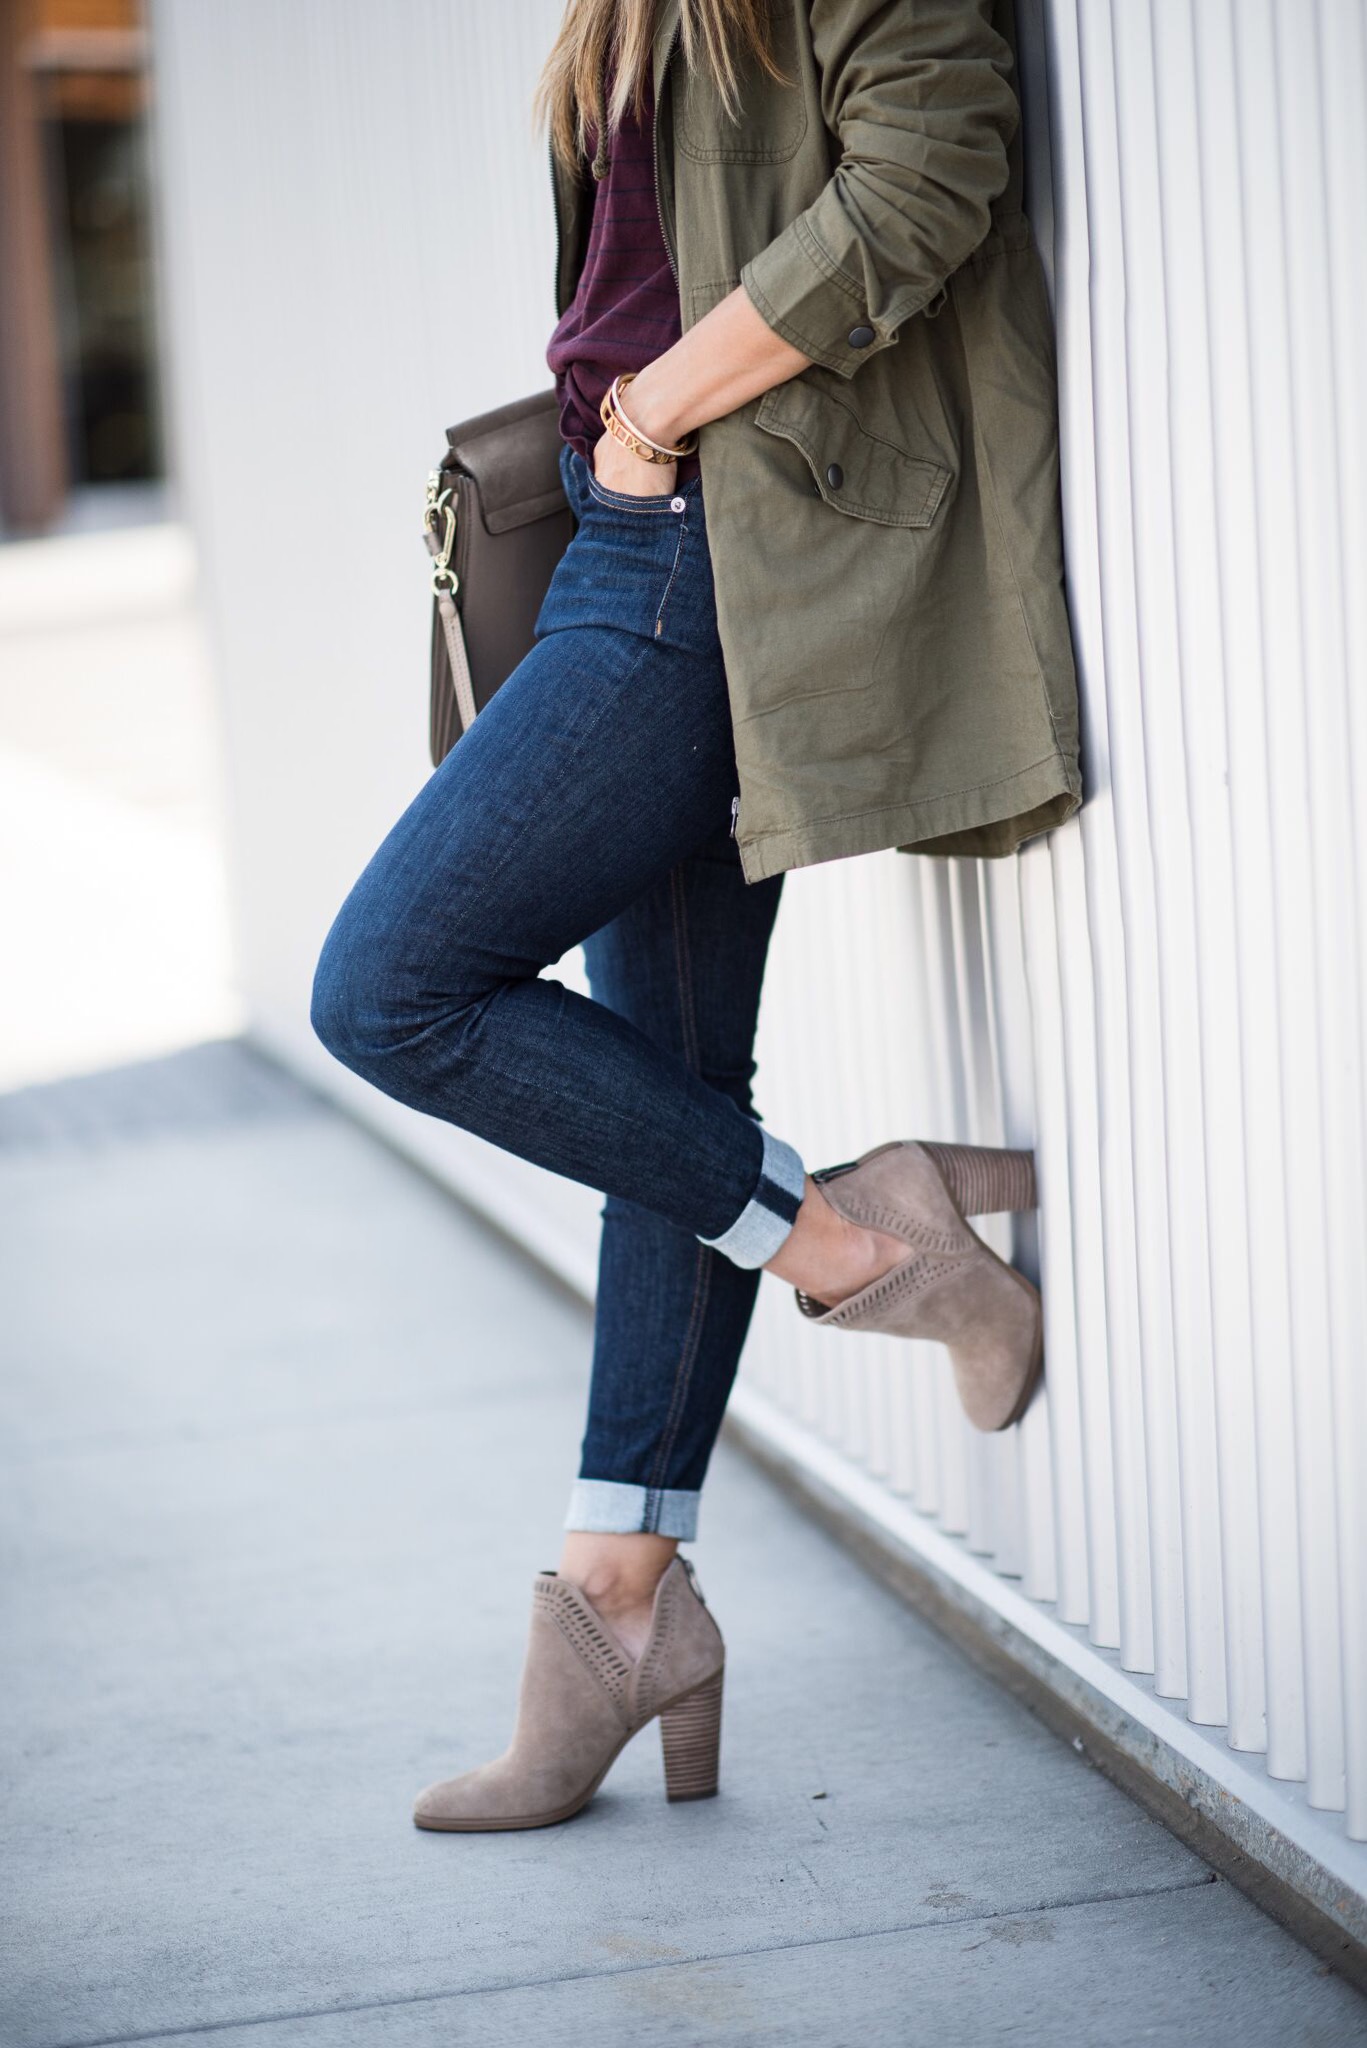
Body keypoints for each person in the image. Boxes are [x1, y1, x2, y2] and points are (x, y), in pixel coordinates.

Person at [310, 0, 1081, 1832]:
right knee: (665, 1091)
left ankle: (848, 1242)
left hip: (709, 550)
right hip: (618, 521)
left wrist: (658, 407)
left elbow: (928, 171)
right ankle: (619, 1606)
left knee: (391, 989)